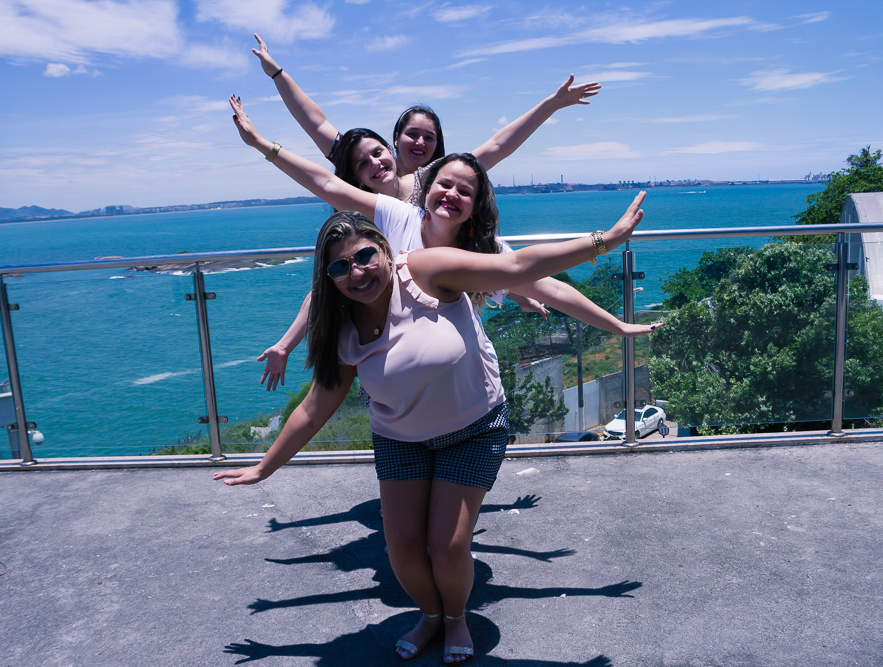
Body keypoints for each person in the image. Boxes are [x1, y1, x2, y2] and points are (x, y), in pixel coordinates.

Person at [214, 191, 647, 662]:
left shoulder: (427, 269)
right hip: (401, 439)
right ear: (329, 279)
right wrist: (265, 468)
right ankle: (431, 616)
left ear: (385, 250)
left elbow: (520, 267)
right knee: (401, 550)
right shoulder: (343, 330)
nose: (357, 272)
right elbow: (314, 408)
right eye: (341, 267)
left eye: (364, 256)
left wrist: (605, 240)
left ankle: (457, 616)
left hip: (474, 427)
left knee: (447, 544)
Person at [227, 97, 660, 393]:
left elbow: (547, 283)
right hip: (402, 359)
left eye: (460, 191)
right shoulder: (384, 218)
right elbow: (321, 164)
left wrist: (618, 327)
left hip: (457, 359)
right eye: (363, 161)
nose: (375, 162)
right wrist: (262, 138)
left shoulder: (453, 213)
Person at [250, 33, 600, 205]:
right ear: (394, 139)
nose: (420, 142)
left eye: (428, 137)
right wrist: (277, 73)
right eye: (412, 134)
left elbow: (498, 144)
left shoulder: (440, 177)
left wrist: (551, 105)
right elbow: (314, 121)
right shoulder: (365, 162)